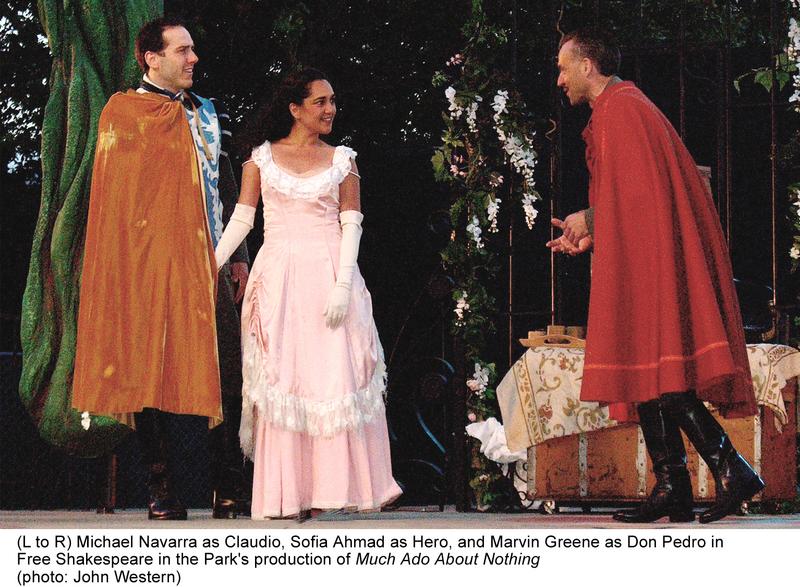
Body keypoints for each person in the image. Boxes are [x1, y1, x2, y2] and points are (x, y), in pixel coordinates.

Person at [548, 28, 764, 523]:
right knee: (642, 365)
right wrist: (592, 231)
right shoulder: (617, 109)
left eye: (563, 68)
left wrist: (592, 218)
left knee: (658, 367)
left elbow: (641, 194)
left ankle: (730, 469)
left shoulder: (623, 109)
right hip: (640, 258)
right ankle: (674, 486)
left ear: (587, 66)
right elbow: (633, 197)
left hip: (652, 264)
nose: (559, 79)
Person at [72, 17, 251, 520]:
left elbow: (226, 185)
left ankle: (227, 485)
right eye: (182, 50)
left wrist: (238, 257)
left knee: (225, 367)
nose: (193, 58)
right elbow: (113, 199)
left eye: (192, 49)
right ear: (151, 58)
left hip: (208, 260)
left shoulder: (208, 113)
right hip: (146, 264)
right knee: (148, 369)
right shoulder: (121, 113)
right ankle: (161, 486)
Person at [214, 68, 402, 519]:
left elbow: (351, 223)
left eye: (332, 101)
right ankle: (288, 493)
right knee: (286, 378)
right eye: (320, 101)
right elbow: (242, 219)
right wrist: (210, 265)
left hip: (329, 272)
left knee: (334, 376)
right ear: (295, 109)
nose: (330, 109)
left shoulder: (343, 160)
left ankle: (336, 489)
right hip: (280, 277)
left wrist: (343, 284)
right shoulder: (261, 158)